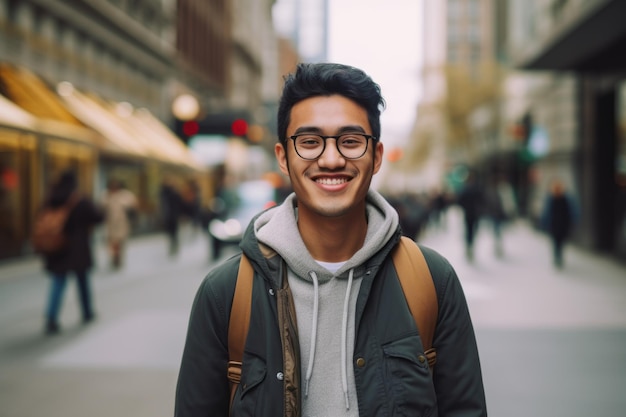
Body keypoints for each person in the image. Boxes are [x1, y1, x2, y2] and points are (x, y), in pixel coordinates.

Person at [175, 63, 487, 416]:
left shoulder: (432, 280)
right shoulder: (225, 293)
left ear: (377, 156)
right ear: (283, 157)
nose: (331, 158)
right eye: (309, 142)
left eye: (351, 141)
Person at [41, 169, 104, 335]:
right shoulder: (79, 199)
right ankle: (87, 312)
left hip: (57, 246)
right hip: (78, 248)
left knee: (58, 282)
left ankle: (51, 318)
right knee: (82, 282)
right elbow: (97, 217)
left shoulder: (51, 198)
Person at [101, 178, 138, 269]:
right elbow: (101, 209)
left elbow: (134, 206)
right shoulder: (106, 195)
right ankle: (114, 258)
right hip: (110, 224)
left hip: (122, 223)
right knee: (112, 242)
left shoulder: (126, 195)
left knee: (120, 242)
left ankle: (118, 258)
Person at [541, 178, 578, 268]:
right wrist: (544, 222)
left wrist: (574, 221)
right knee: (555, 242)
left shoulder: (567, 198)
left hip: (563, 224)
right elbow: (546, 212)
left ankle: (559, 256)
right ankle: (557, 257)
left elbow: (572, 211)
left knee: (561, 242)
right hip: (554, 224)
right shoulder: (550, 198)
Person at [456, 171, 485, 262]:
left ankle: (469, 246)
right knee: (472, 230)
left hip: (468, 213)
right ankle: (471, 246)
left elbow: (460, 201)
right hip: (475, 213)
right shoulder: (476, 189)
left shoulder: (465, 189)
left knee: (468, 230)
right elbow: (482, 200)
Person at [160, 177, 182, 256]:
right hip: (169, 216)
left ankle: (175, 246)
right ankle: (173, 246)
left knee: (174, 233)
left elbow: (179, 205)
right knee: (171, 233)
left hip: (173, 216)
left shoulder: (174, 194)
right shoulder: (166, 193)